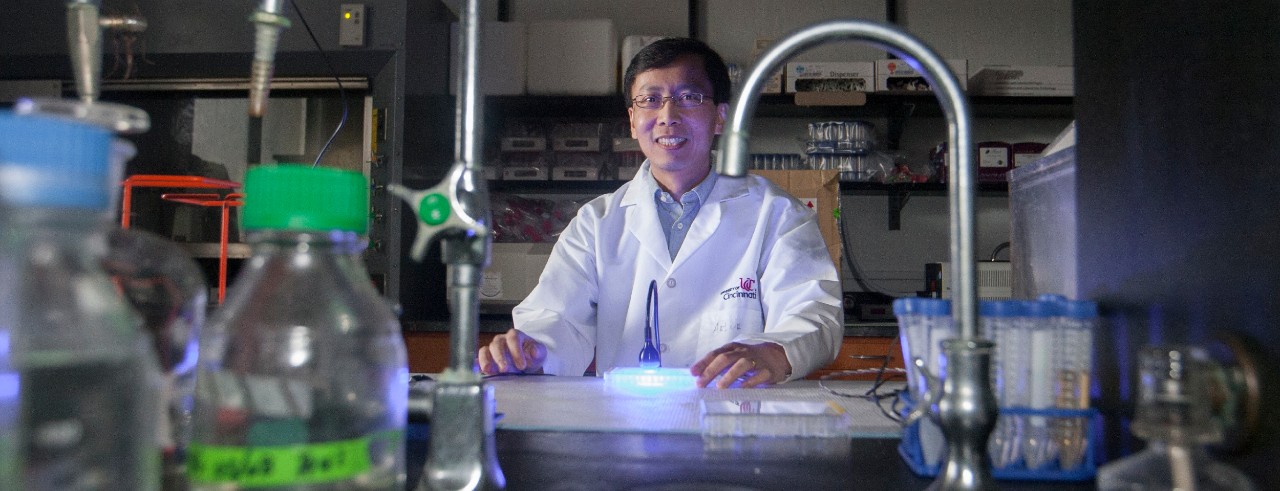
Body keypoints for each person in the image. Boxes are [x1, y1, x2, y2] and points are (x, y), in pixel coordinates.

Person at [477, 37, 843, 388]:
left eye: (689, 97)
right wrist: (531, 352)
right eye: (650, 99)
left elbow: (815, 314)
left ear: (720, 117)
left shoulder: (776, 214)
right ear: (633, 119)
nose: (668, 116)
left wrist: (774, 354)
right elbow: (557, 319)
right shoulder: (597, 222)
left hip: (734, 423)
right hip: (625, 429)